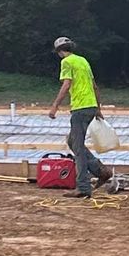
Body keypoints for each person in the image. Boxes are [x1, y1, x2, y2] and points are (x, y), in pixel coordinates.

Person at [46, 35, 103, 198]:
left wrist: (55, 106)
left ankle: (84, 187)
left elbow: (66, 84)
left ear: (59, 51)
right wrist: (98, 108)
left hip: (80, 107)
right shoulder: (83, 60)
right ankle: (100, 170)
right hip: (90, 106)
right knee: (72, 141)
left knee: (78, 148)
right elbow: (94, 85)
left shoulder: (66, 62)